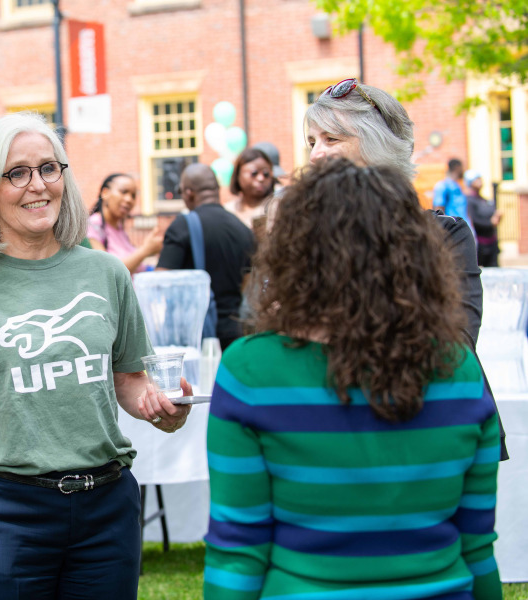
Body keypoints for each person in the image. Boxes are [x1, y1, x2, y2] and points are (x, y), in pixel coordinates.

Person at [0, 112, 191, 600]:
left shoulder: (107, 272)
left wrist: (159, 407)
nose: (38, 185)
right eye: (17, 173)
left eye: (49, 168)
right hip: (9, 507)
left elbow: (127, 377)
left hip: (107, 505)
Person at [205, 158, 501, 599]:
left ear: (296, 250)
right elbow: (477, 547)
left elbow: (238, 553)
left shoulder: (249, 371)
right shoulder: (458, 367)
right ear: (412, 251)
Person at [305, 77, 508, 460]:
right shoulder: (304, 241)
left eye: (332, 139)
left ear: (379, 148)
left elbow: (456, 345)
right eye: (311, 142)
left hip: (434, 436)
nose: (315, 155)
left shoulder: (443, 236)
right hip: (337, 440)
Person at [157, 163, 255, 351]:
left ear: (188, 192)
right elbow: (247, 284)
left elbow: (161, 282)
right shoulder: (243, 229)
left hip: (195, 337)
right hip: (234, 335)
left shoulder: (183, 225)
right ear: (216, 190)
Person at [87, 173, 163, 273]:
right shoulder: (92, 226)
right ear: (105, 193)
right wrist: (145, 250)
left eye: (133, 195)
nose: (129, 199)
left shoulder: (119, 227)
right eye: (123, 192)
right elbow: (107, 271)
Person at [225, 147, 275, 232]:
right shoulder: (228, 210)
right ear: (238, 175)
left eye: (266, 173)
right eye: (254, 173)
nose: (260, 178)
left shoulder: (277, 208)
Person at [465, 170, 502, 267]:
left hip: (492, 243)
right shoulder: (469, 200)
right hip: (481, 244)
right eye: (477, 179)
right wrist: (491, 223)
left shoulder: (484, 200)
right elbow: (475, 220)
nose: (480, 181)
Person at [434, 158, 473, 230]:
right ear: (457, 168)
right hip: (454, 231)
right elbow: (438, 210)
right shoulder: (443, 186)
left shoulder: (457, 185)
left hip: (464, 229)